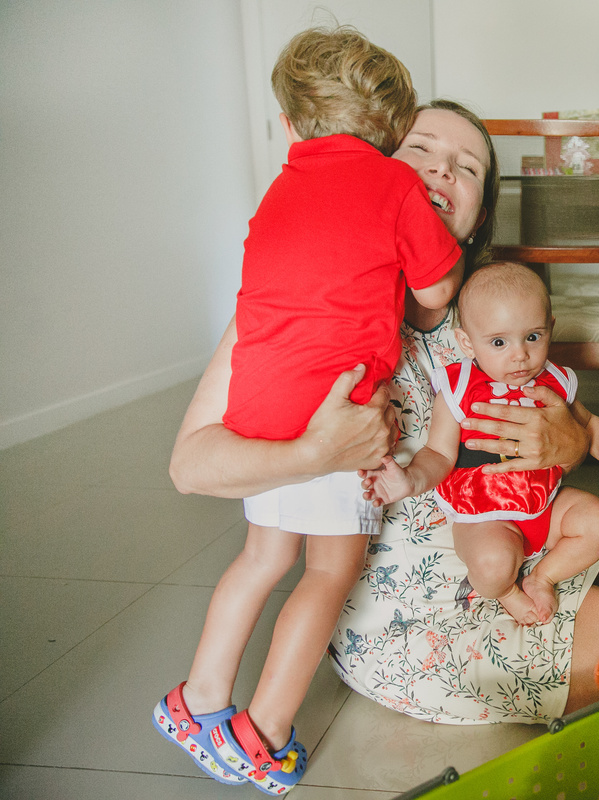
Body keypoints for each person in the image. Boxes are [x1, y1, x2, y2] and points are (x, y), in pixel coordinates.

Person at [168, 101, 599, 735]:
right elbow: (190, 467)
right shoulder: (303, 302)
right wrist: (311, 451)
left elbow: (558, 417)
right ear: (374, 172)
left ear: (476, 218)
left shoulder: (493, 316)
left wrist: (573, 440)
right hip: (417, 608)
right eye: (421, 150)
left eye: (466, 167)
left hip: (524, 531)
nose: (442, 172)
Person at [153, 28, 462, 795]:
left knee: (262, 559)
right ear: (392, 133)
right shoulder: (395, 187)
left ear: (291, 123)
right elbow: (435, 295)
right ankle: (267, 731)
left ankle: (195, 702)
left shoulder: (278, 189)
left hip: (259, 412)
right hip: (339, 413)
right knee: (329, 571)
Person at [360, 262, 599, 626]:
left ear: (551, 330)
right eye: (499, 342)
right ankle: (508, 592)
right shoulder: (459, 386)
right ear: (467, 342)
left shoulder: (556, 380)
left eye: (533, 337)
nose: (519, 354)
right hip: (484, 518)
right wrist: (411, 480)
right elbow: (438, 453)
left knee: (598, 521)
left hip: (546, 505)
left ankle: (542, 575)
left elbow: (587, 423)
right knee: (491, 564)